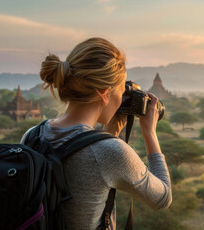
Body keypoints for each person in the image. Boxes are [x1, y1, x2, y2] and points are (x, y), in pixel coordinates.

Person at [20, 37, 172, 230]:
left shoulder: (32, 135)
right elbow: (163, 198)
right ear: (104, 92)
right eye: (121, 88)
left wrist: (111, 133)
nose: (121, 98)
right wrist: (149, 133)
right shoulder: (110, 152)